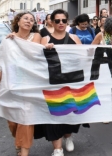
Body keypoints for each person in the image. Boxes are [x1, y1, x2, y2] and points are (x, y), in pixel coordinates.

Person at [0, 12, 42, 156]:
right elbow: (0, 65)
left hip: (30, 85)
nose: (29, 21)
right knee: (13, 122)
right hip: (10, 86)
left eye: (32, 20)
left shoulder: (35, 37)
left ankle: (24, 152)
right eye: (25, 18)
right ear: (18, 21)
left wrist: (18, 41)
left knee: (26, 119)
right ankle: (19, 142)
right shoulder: (7, 41)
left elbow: (33, 53)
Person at [37, 9, 82, 156]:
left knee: (70, 114)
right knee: (54, 115)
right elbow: (35, 59)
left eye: (64, 20)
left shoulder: (75, 38)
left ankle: (68, 136)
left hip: (72, 82)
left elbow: (85, 58)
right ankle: (57, 148)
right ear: (52, 22)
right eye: (57, 21)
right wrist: (45, 50)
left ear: (67, 21)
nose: (61, 23)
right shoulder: (45, 39)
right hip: (53, 83)